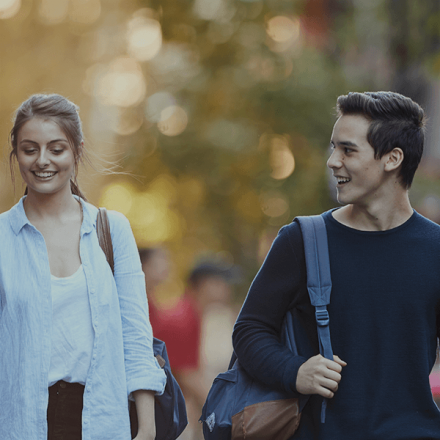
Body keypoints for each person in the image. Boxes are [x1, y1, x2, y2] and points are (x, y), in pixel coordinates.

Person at [232, 91, 440, 438]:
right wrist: (294, 371)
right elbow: (249, 330)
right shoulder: (301, 240)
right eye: (333, 147)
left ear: (392, 158)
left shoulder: (435, 249)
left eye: (347, 149)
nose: (332, 161)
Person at [0, 94, 166, 440]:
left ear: (77, 150)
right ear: (15, 153)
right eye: (30, 149)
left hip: (101, 418)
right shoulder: (3, 237)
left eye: (56, 149)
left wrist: (147, 429)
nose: (42, 161)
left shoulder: (111, 229)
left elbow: (135, 336)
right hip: (19, 420)